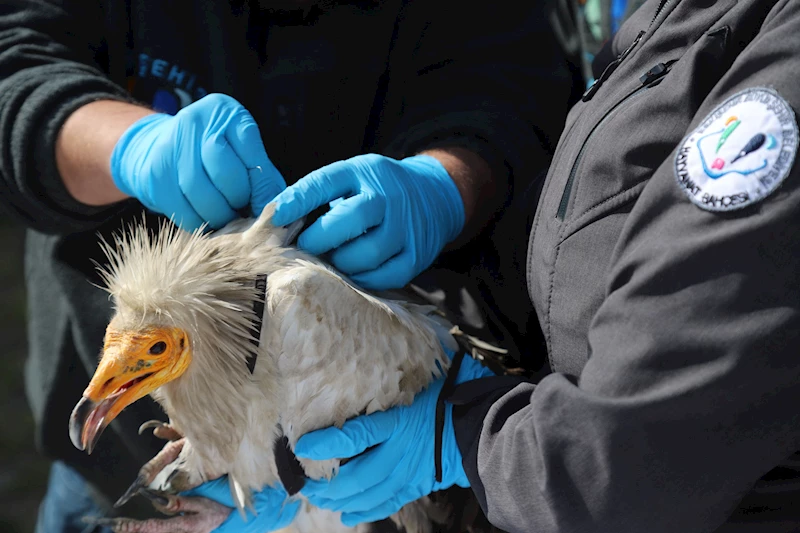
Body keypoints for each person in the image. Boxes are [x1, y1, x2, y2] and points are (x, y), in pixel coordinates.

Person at [190, 0, 800, 531]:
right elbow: (593, 235)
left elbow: (637, 453)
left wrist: (462, 438)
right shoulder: (682, 11)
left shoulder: (782, 61)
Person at [0, 0, 573, 531]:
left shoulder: (301, 306)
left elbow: (516, 85)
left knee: (298, 311)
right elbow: (13, 57)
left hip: (360, 494)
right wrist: (130, 146)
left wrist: (448, 184)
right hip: (116, 463)